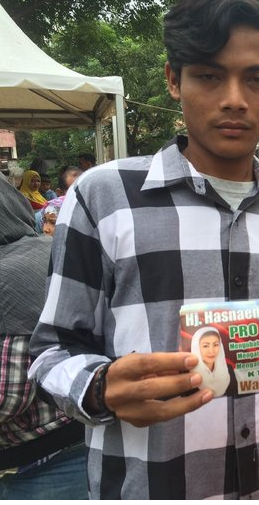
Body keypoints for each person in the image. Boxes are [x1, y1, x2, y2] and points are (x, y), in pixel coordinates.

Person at [29, 0, 259, 499]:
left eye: (257, 79)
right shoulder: (104, 198)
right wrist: (101, 386)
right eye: (208, 76)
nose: (234, 100)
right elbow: (51, 351)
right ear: (174, 80)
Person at [0, 173, 87, 500]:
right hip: (76, 438)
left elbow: (8, 396)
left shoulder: (8, 274)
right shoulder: (46, 247)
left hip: (47, 463)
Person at [191, 327, 232, 397]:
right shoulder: (190, 376)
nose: (211, 351)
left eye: (215, 345)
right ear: (197, 348)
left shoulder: (229, 370)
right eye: (206, 346)